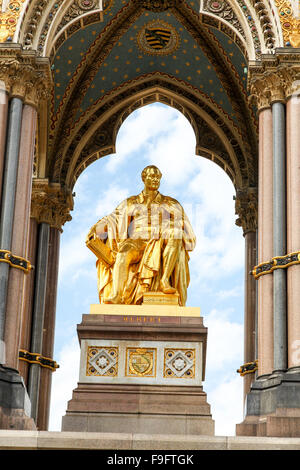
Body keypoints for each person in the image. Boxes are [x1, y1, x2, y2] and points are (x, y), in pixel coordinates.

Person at [87, 165, 196, 306]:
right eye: (152, 176)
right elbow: (113, 218)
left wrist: (175, 223)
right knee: (123, 254)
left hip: (161, 239)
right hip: (136, 241)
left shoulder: (171, 203)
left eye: (158, 177)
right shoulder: (130, 202)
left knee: (175, 233)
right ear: (144, 178)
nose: (155, 179)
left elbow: (185, 226)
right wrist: (97, 228)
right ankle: (117, 295)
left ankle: (164, 280)